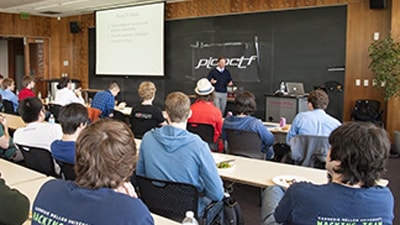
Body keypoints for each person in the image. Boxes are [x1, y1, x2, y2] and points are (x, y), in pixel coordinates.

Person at [261, 122, 394, 225]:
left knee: (273, 190)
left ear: (338, 160)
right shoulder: (385, 198)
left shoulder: (300, 192)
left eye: (330, 148)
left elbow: (279, 218)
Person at [32, 120, 154, 225]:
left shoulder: (48, 191)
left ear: (78, 156)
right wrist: (129, 205)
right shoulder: (134, 215)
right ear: (130, 165)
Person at [136, 92, 224, 224]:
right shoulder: (199, 146)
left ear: (166, 114)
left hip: (154, 205)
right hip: (189, 214)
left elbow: (140, 174)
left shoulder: (147, 138)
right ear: (189, 114)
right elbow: (217, 194)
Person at [222, 90, 275, 159]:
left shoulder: (226, 122)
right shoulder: (256, 124)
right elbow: (270, 140)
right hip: (257, 155)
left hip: (233, 154)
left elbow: (224, 138)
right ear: (252, 105)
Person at [188, 78, 223, 152]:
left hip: (191, 146)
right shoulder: (216, 112)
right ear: (212, 94)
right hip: (210, 147)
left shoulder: (189, 110)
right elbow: (219, 132)